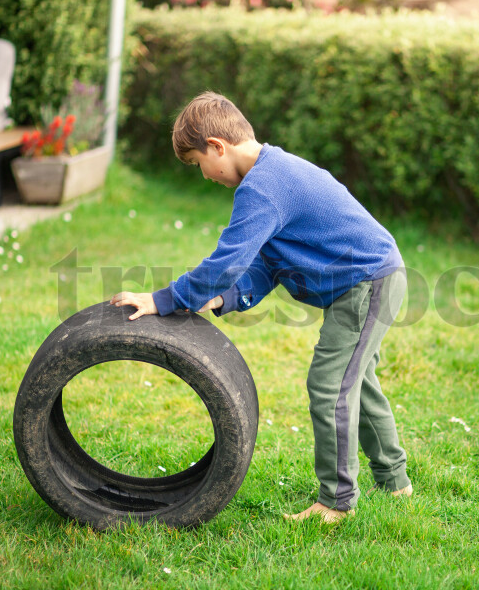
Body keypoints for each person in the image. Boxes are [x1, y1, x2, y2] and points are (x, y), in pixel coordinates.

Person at [110, 91, 412, 522]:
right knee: (358, 383)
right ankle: (395, 484)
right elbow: (266, 263)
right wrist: (223, 297)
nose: (205, 175)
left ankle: (337, 501)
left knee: (330, 388)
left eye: (199, 164)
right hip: (376, 277)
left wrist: (164, 299)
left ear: (217, 145)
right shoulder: (273, 171)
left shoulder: (263, 188)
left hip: (366, 282)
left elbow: (226, 261)